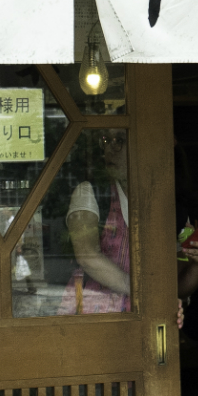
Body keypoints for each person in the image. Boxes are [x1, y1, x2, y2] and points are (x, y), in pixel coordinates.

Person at [59, 130, 132, 314]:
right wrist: (138, 288)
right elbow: (87, 255)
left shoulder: (156, 200)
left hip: (141, 315)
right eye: (107, 140)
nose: (110, 148)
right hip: (95, 315)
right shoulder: (90, 192)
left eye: (119, 141)